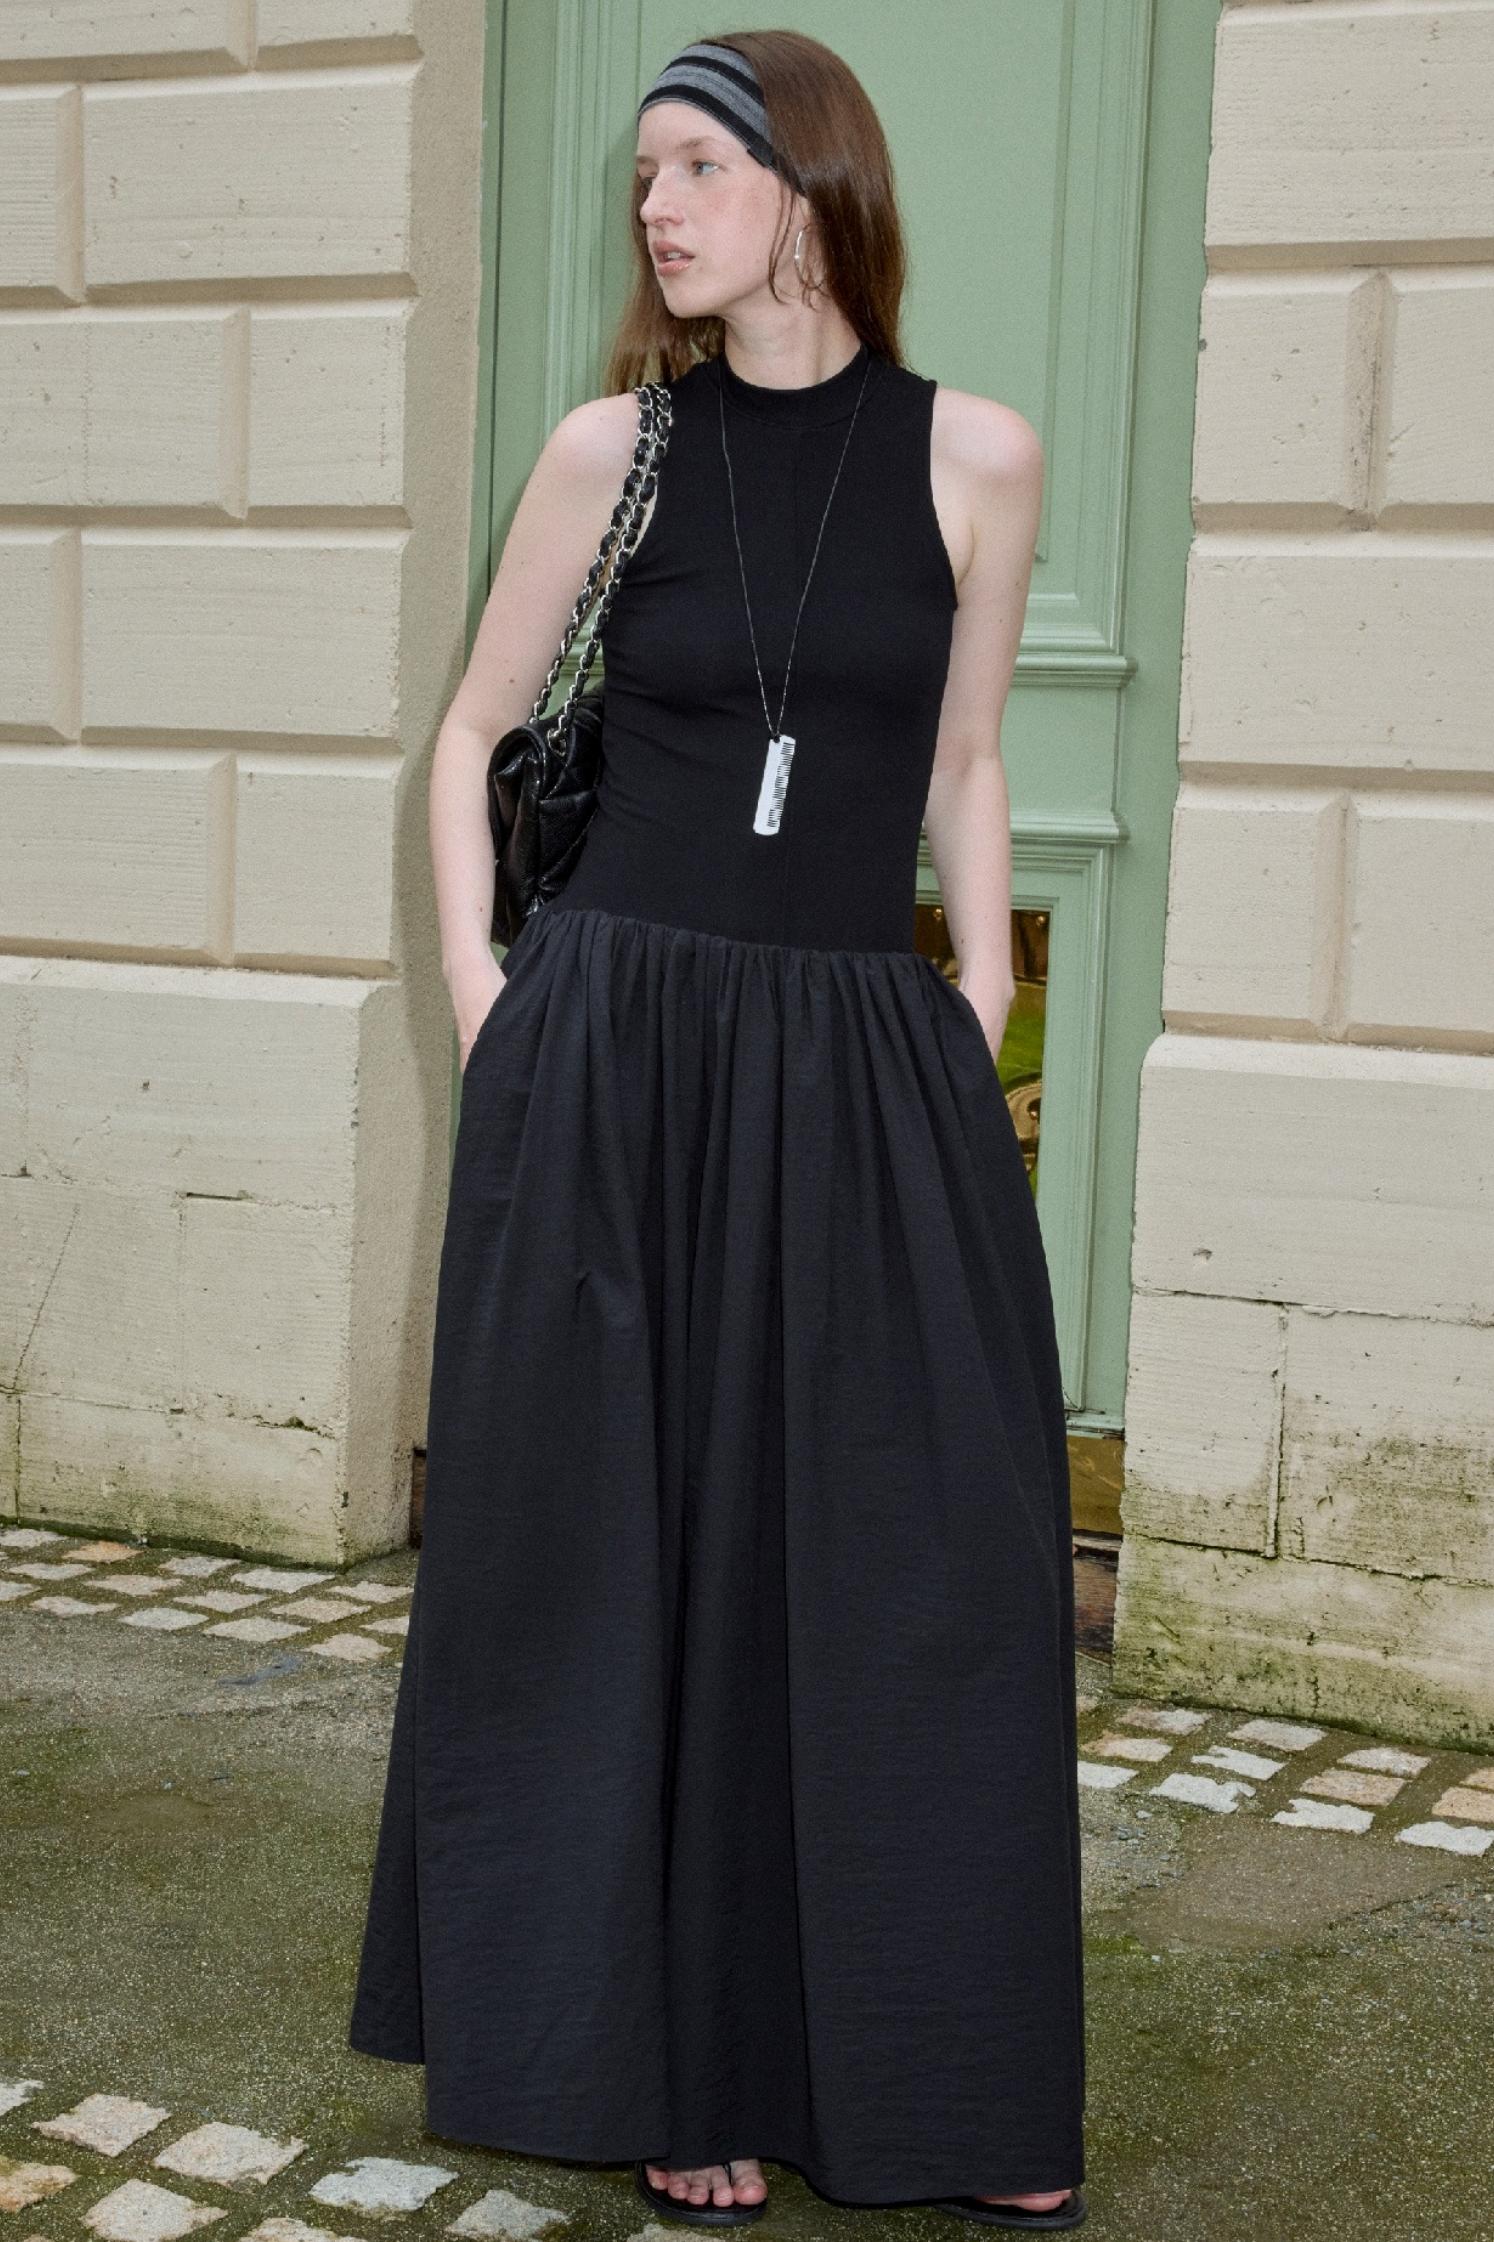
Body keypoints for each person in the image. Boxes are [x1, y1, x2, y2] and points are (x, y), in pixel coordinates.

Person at [348, 28, 1087, 2234]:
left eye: (693, 166)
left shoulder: (978, 454)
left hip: (859, 1057)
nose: (655, 206)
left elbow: (963, 756)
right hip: (620, 1055)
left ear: (810, 185)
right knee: (628, 1563)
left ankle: (950, 2087)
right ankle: (667, 2059)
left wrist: (979, 991)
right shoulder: (614, 451)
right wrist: (487, 994)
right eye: (646, 175)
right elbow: (473, 733)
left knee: (912, 1565)